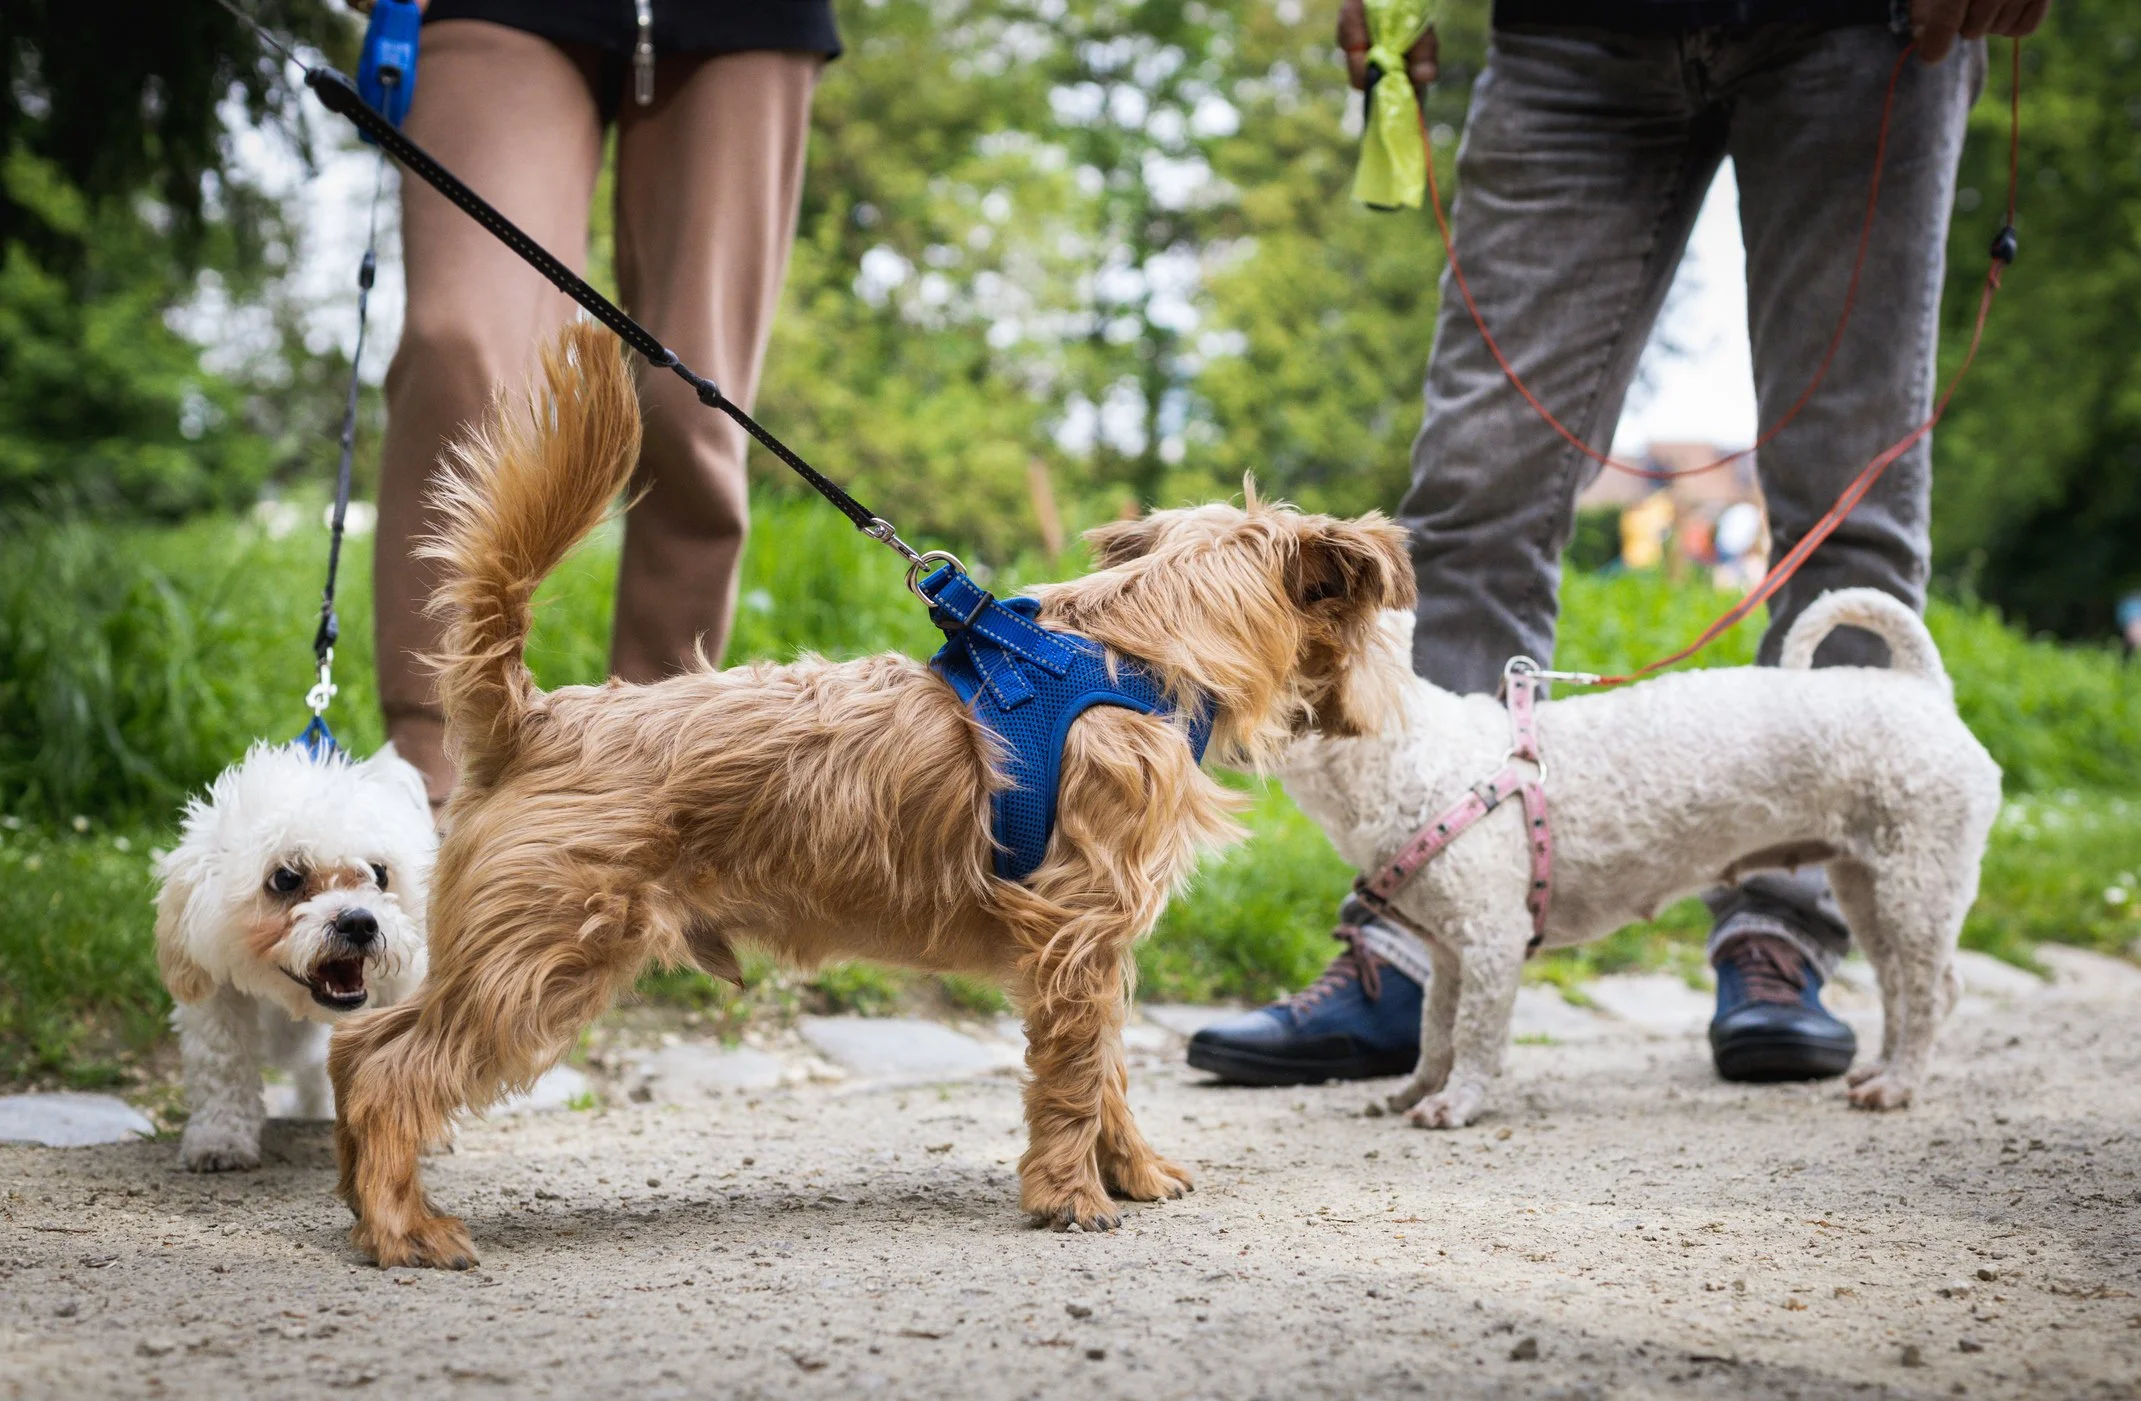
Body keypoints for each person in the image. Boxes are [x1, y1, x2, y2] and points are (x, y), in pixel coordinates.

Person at [1188, 0, 2049, 1087]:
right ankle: (1418, 924)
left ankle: (1781, 926)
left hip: (1863, 25)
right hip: (1573, 30)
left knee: (1847, 492)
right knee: (1473, 482)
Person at [366, 0, 838, 813]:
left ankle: (642, 804)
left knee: (694, 413)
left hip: (746, 23)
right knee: (461, 350)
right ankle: (430, 784)